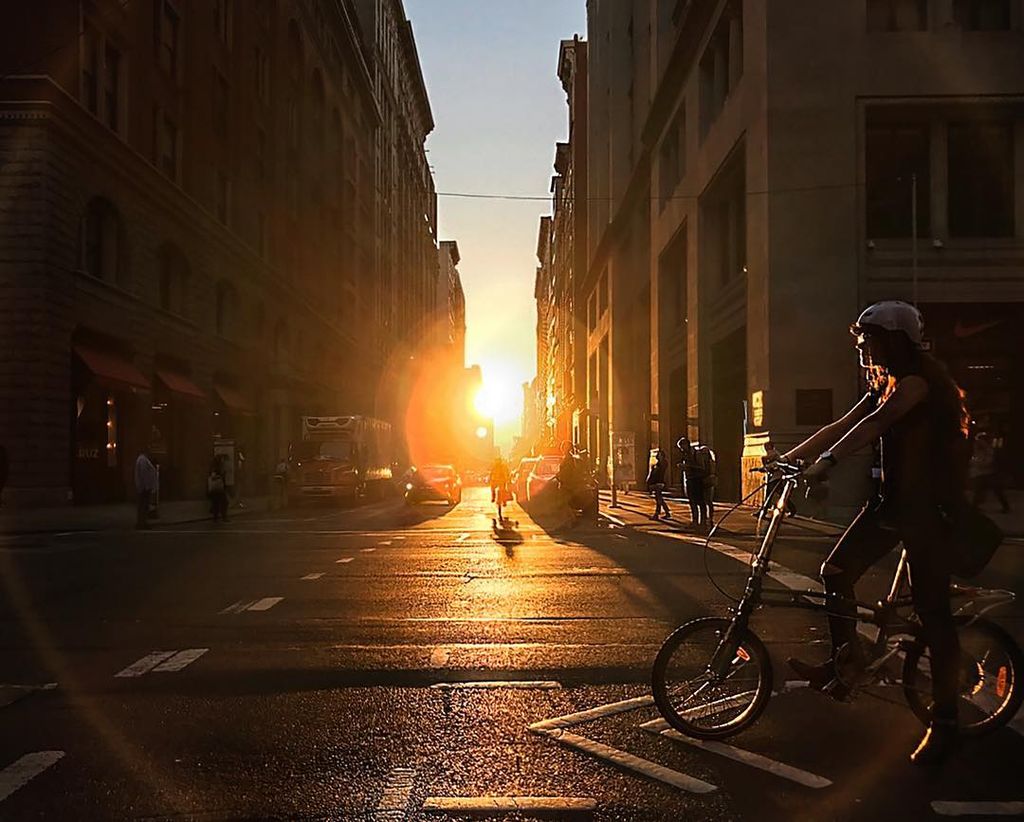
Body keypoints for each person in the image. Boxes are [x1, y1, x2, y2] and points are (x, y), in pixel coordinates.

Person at [778, 301, 969, 766]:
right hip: (890, 506)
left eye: (870, 340)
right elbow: (842, 424)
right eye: (861, 341)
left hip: (928, 513)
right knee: (835, 571)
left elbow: (876, 425)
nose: (863, 348)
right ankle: (849, 661)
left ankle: (946, 725)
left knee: (933, 615)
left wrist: (830, 463)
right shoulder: (883, 383)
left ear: (895, 339)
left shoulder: (916, 384)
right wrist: (788, 459)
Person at [676, 437, 716, 528]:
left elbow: (701, 467)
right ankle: (695, 521)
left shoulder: (697, 454)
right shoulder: (685, 455)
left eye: (682, 447)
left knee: (701, 502)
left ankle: (703, 521)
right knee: (692, 502)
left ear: (686, 445)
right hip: (689, 480)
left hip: (697, 480)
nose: (681, 449)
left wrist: (687, 466)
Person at [970, 432, 1010, 514]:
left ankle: (1005, 506)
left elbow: (987, 461)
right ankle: (974, 506)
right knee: (981, 490)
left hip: (988, 473)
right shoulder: (981, 449)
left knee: (993, 490)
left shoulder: (987, 450)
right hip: (984, 473)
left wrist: (978, 464)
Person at [134, 448, 159, 529]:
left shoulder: (143, 459)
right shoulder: (143, 460)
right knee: (143, 506)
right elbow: (144, 474)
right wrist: (147, 486)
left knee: (143, 506)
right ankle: (142, 523)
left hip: (143, 487)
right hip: (144, 488)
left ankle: (142, 522)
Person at [646, 449, 671, 520]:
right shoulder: (658, 463)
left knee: (659, 498)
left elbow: (658, 473)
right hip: (656, 482)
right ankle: (665, 512)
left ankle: (658, 513)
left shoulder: (662, 463)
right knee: (659, 498)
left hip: (659, 482)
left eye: (659, 454)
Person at [208, 455, 230, 522]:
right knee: (224, 502)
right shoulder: (216, 468)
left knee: (216, 503)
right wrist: (222, 475)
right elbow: (214, 476)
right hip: (218, 488)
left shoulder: (213, 467)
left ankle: (216, 518)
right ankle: (222, 517)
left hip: (215, 489)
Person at [489, 456, 510, 521]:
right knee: (494, 488)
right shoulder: (495, 467)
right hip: (497, 481)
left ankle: (501, 500)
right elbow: (491, 474)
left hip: (500, 481)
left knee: (503, 489)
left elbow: (507, 473)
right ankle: (495, 497)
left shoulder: (502, 467)